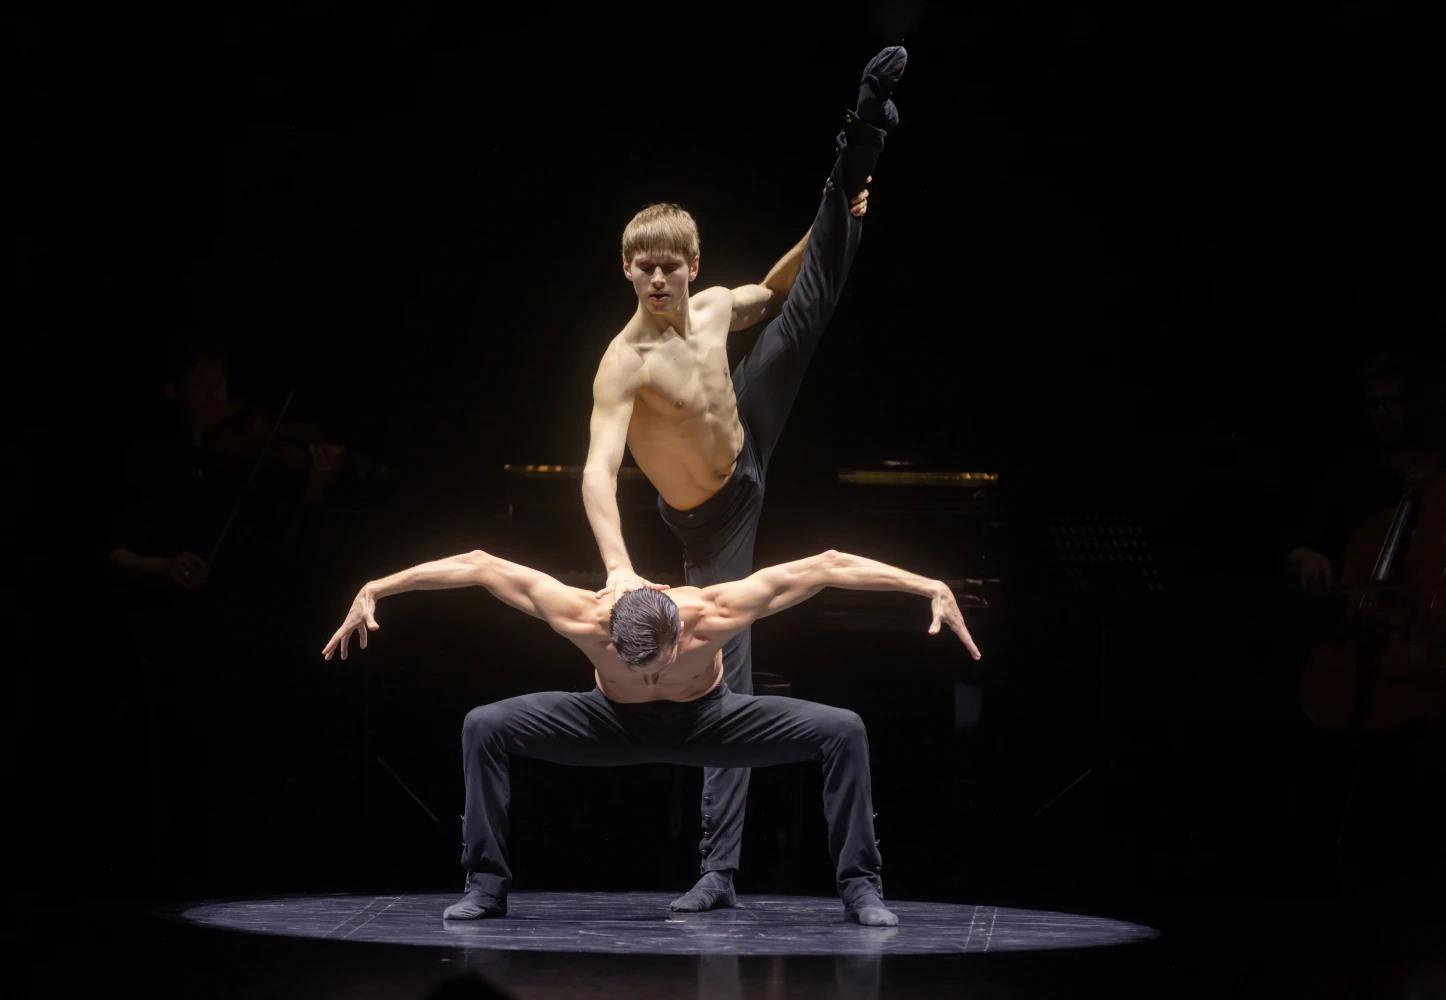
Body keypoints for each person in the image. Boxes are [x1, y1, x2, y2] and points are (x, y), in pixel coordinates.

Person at [580, 45, 906, 911]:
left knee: (809, 305)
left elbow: (774, 288)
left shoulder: (716, 305)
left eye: (671, 265)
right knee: (729, 675)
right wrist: (618, 567)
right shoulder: (623, 364)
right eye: (644, 267)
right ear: (627, 270)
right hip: (712, 518)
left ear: (691, 265)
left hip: (749, 435)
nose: (658, 278)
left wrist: (827, 228)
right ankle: (719, 870)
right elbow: (597, 472)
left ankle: (859, 145)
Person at [322, 546, 982, 927]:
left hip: (710, 721)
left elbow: (829, 565)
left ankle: (861, 888)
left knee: (844, 729)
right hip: (605, 722)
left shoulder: (717, 611)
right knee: (484, 724)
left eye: (659, 663)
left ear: (682, 630)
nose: (650, 675)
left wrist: (929, 586)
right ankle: (486, 886)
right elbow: (478, 565)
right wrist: (377, 587)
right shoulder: (583, 615)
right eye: (633, 662)